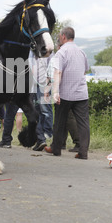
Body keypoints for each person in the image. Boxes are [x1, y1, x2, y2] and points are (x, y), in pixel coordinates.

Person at [44, 27, 90, 159]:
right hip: (81, 93)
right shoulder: (82, 52)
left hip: (65, 93)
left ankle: (56, 149)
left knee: (59, 121)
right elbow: (85, 70)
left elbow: (57, 72)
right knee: (83, 123)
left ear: (63, 37)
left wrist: (55, 92)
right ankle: (83, 152)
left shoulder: (61, 53)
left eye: (59, 36)